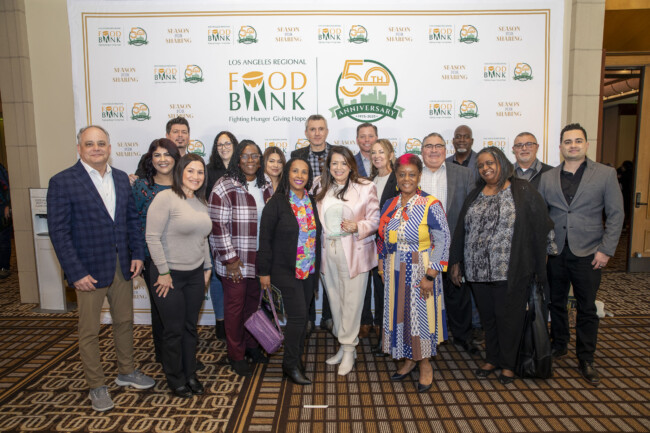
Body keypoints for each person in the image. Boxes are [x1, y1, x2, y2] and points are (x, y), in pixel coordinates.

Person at [47, 125, 154, 412]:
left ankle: (126, 371)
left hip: (121, 267)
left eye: (101, 143)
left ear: (109, 148)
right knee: (89, 331)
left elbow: (132, 220)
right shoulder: (62, 182)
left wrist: (138, 255)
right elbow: (59, 232)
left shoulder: (121, 179)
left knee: (124, 323)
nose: (96, 148)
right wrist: (75, 272)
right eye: (90, 143)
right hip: (88, 271)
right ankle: (97, 385)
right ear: (79, 148)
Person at [449, 146, 554, 385]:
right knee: (488, 318)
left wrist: (541, 262)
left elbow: (543, 225)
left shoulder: (522, 189)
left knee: (509, 318)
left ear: (502, 163)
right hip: (478, 271)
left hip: (511, 269)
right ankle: (492, 358)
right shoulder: (476, 193)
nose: (486, 168)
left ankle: (508, 364)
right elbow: (462, 229)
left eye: (490, 163)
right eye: (482, 165)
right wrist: (457, 261)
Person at [538, 123, 624, 386]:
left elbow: (616, 214)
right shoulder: (548, 177)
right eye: (567, 141)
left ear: (586, 145)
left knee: (587, 307)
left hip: (590, 253)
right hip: (556, 252)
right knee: (556, 303)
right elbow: (542, 216)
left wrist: (606, 250)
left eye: (578, 141)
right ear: (561, 146)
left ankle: (586, 357)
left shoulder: (605, 174)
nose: (572, 145)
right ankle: (560, 344)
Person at [377, 153, 450, 392]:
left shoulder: (431, 204)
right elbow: (383, 236)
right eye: (402, 174)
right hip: (394, 269)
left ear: (419, 177)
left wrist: (431, 275)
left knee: (421, 319)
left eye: (412, 174)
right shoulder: (390, 203)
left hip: (421, 270)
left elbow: (443, 241)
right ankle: (409, 359)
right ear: (396, 177)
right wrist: (381, 261)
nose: (407, 179)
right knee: (401, 317)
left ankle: (425, 364)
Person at [145, 153, 212, 398]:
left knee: (190, 328)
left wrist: (207, 267)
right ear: (180, 172)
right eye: (191, 171)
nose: (196, 176)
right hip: (168, 275)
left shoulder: (201, 202)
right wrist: (163, 272)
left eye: (200, 172)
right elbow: (152, 237)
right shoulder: (166, 198)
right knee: (173, 329)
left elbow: (202, 237)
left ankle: (190, 373)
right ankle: (175, 378)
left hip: (195, 274)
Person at [314, 145, 380, 376]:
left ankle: (350, 349)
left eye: (343, 163)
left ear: (351, 165)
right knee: (335, 301)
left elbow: (375, 220)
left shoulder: (365, 187)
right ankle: (345, 345)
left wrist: (358, 226)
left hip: (354, 252)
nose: (339, 168)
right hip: (327, 252)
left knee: (352, 302)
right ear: (328, 166)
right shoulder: (321, 187)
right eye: (334, 163)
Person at [209, 140, 273, 377]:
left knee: (253, 306)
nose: (250, 161)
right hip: (235, 261)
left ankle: (251, 346)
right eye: (245, 156)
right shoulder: (224, 186)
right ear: (237, 159)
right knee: (234, 309)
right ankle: (235, 354)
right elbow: (217, 226)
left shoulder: (266, 185)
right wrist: (230, 259)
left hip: (259, 260)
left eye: (255, 156)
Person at [258, 158, 321, 385]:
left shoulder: (311, 201)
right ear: (287, 173)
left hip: (308, 270)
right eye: (295, 170)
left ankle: (295, 360)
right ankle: (290, 365)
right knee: (298, 318)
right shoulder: (276, 203)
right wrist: (263, 273)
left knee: (302, 318)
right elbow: (264, 240)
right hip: (284, 270)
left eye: (304, 172)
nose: (299, 175)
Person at [419, 133, 477, 356]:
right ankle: (424, 337)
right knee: (423, 295)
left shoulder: (464, 174)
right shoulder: (413, 173)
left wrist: (460, 256)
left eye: (438, 146)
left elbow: (470, 215)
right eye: (428, 146)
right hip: (421, 249)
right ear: (422, 150)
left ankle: (463, 338)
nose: (433, 150)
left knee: (458, 296)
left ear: (446, 149)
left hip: (453, 245)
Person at [131, 138, 180, 364]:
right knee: (161, 312)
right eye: (157, 155)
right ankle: (165, 358)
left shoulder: (185, 185)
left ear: (175, 158)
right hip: (154, 260)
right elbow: (134, 224)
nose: (163, 160)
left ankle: (183, 354)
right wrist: (138, 256)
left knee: (182, 310)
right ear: (151, 159)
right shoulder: (141, 187)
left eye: (167, 155)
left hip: (182, 259)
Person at [291, 114, 334, 334]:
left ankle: (328, 316)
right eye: (312, 129)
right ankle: (306, 317)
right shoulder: (296, 155)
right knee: (305, 267)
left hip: (330, 218)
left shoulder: (337, 154)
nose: (317, 133)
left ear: (327, 131)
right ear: (306, 133)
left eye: (321, 129)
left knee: (328, 267)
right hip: (304, 218)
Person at [361, 138, 397, 344]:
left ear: (391, 155)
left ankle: (385, 331)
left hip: (388, 244)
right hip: (368, 241)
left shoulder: (398, 179)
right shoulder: (369, 182)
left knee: (384, 287)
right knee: (369, 283)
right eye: (373, 152)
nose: (376, 156)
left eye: (381, 151)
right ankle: (369, 323)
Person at [206, 130, 239, 342]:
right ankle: (220, 321)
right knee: (218, 279)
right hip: (216, 233)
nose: (224, 147)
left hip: (241, 234)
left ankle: (237, 322)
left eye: (227, 143)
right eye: (219, 144)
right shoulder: (208, 171)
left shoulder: (243, 168)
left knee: (239, 281)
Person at [0, 162, 11, 278]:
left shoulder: (0, 169)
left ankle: (4, 267)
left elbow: (7, 186)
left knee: (3, 239)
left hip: (2, 207)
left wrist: (8, 205)